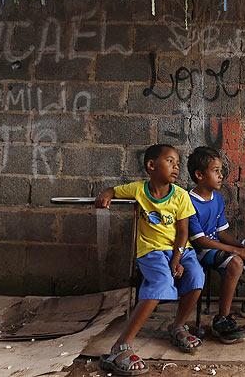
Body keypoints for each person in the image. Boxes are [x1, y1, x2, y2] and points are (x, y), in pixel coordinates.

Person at [96, 144, 204, 375]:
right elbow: (114, 190)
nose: (176, 167)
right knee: (161, 283)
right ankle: (120, 347)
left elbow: (184, 232)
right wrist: (107, 192)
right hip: (152, 251)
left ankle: (177, 326)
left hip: (179, 249)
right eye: (170, 161)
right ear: (151, 166)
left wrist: (177, 259)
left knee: (196, 276)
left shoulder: (181, 195)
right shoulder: (137, 190)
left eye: (177, 163)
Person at [187, 146, 245, 344]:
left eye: (221, 171)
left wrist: (244, 247)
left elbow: (221, 233)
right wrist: (238, 251)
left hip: (217, 245)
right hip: (200, 251)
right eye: (215, 171)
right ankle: (222, 319)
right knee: (236, 262)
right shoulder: (188, 201)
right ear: (199, 175)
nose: (221, 175)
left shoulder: (218, 199)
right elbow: (200, 240)